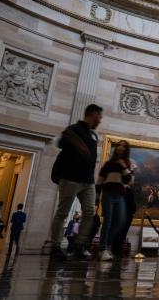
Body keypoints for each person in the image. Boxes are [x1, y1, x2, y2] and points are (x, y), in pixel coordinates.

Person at [49, 104, 103, 261]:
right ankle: (56, 246)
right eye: (98, 116)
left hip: (88, 181)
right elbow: (59, 144)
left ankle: (80, 245)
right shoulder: (73, 130)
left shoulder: (93, 135)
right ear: (92, 114)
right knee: (62, 213)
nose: (99, 119)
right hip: (70, 178)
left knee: (89, 212)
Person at [95, 139, 133, 261]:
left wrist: (123, 166)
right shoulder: (108, 164)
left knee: (120, 221)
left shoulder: (127, 164)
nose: (121, 148)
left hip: (120, 195)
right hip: (108, 193)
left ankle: (105, 245)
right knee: (108, 221)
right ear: (116, 148)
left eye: (123, 146)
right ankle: (103, 249)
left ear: (126, 150)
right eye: (119, 146)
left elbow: (129, 180)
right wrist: (97, 196)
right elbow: (100, 180)